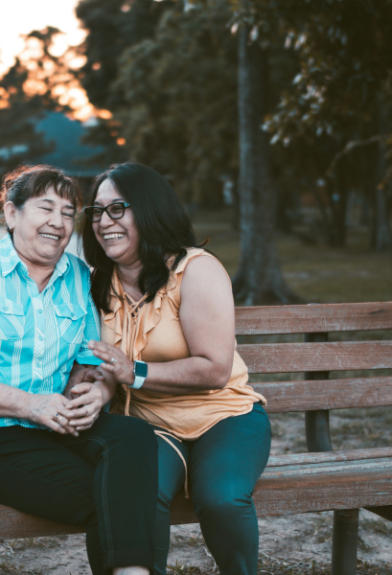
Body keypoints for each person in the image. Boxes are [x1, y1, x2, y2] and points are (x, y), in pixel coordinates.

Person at [0, 165, 158, 575]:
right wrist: (30, 405)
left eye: (67, 212)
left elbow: (88, 363)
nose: (58, 222)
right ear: (11, 214)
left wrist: (95, 392)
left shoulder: (78, 276)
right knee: (114, 496)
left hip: (52, 430)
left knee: (132, 435)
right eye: (46, 208)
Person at [81, 163, 271, 575]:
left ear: (149, 210)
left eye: (118, 209)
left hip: (224, 418)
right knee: (135, 497)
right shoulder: (97, 282)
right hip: (149, 426)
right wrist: (96, 386)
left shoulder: (195, 270)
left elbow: (215, 368)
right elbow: (102, 364)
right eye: (96, 211)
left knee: (221, 497)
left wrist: (136, 372)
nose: (103, 222)